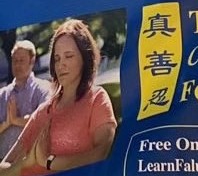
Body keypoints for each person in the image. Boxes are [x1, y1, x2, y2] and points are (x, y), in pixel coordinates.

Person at [0, 20, 116, 175]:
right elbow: (3, 167)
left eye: (69, 56)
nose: (61, 64)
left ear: (85, 57)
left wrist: (49, 161)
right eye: (57, 58)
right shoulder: (43, 111)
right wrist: (24, 163)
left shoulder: (97, 98)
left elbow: (101, 154)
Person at [0, 43, 50, 162]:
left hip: (31, 162)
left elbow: (45, 121)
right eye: (15, 61)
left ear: (32, 61)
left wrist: (16, 120)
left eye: (21, 60)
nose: (17, 65)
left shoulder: (43, 89)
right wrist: (6, 123)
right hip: (2, 161)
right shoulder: (3, 94)